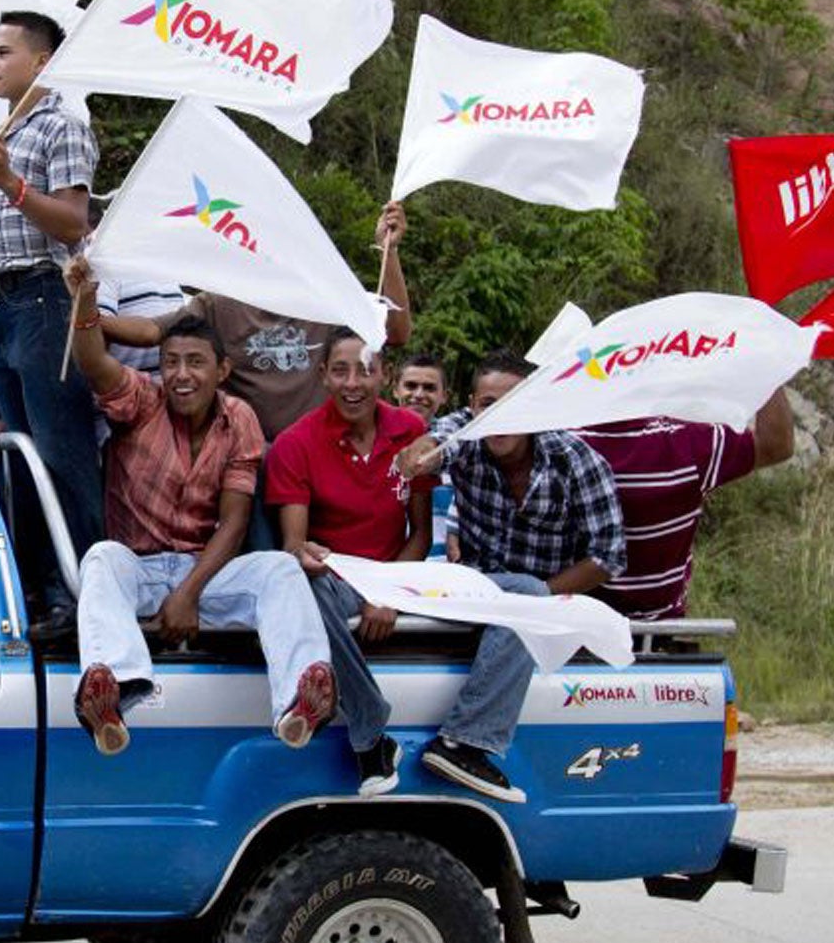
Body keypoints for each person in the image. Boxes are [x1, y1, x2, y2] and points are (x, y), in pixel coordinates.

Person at [63, 257, 335, 757]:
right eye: (171, 362)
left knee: (278, 568)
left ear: (223, 370)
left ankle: (300, 698)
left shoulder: (240, 418)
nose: (181, 375)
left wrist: (189, 593)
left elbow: (233, 524)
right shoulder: (142, 400)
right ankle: (115, 689)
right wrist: (83, 301)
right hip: (139, 567)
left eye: (195, 362)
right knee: (101, 557)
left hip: (202, 570)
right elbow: (93, 363)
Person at [395, 350, 627, 803]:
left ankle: (463, 741)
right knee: (516, 594)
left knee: (523, 593)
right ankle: (463, 742)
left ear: (535, 405)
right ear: (472, 405)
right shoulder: (466, 434)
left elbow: (609, 555)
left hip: (550, 597)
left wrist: (538, 599)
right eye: (487, 405)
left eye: (512, 405)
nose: (498, 418)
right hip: (474, 589)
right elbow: (440, 443)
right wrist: (420, 454)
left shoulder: (575, 459)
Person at [0, 10, 104, 622]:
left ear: (43, 61)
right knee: (20, 453)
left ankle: (86, 592)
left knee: (61, 455)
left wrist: (8, 181)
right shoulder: (2, 129)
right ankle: (37, 590)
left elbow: (72, 223)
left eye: (3, 52)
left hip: (45, 300)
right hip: (2, 302)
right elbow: (6, 224)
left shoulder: (61, 126)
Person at [268, 334, 438, 795]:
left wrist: (387, 596)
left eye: (365, 369)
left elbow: (421, 533)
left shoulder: (409, 432)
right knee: (295, 582)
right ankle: (370, 727)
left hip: (393, 573)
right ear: (322, 375)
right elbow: (294, 546)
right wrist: (307, 554)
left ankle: (369, 737)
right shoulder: (295, 443)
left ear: (384, 374)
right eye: (340, 370)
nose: (353, 382)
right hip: (334, 576)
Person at [97, 202, 416, 445]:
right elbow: (151, 331)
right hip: (248, 459)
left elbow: (397, 332)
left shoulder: (326, 299)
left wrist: (391, 250)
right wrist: (89, 317)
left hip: (319, 456)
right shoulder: (219, 303)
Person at [573, 389, 795, 620]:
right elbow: (776, 445)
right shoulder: (686, 443)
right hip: (660, 630)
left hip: (568, 626)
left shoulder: (559, 444)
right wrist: (767, 363)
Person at [392, 352, 457, 560]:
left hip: (446, 567)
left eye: (429, 388)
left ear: (444, 395)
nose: (419, 394)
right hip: (387, 562)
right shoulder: (374, 439)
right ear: (395, 389)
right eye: (411, 386)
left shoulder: (458, 444)